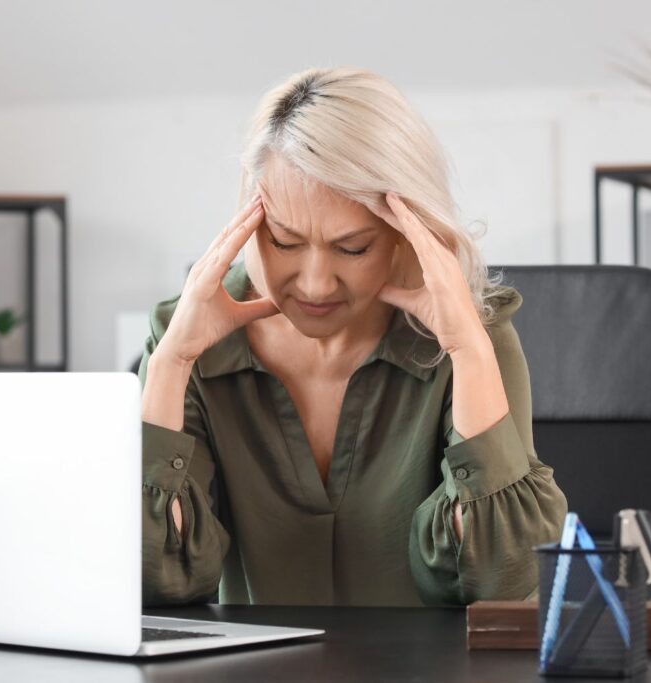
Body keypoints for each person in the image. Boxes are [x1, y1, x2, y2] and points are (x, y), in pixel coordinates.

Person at [138, 66, 567, 607]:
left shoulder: (472, 340)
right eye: (285, 241)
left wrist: (469, 352)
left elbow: (501, 580)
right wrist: (172, 362)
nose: (315, 284)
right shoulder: (183, 342)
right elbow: (154, 579)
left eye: (353, 247)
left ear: (406, 232)